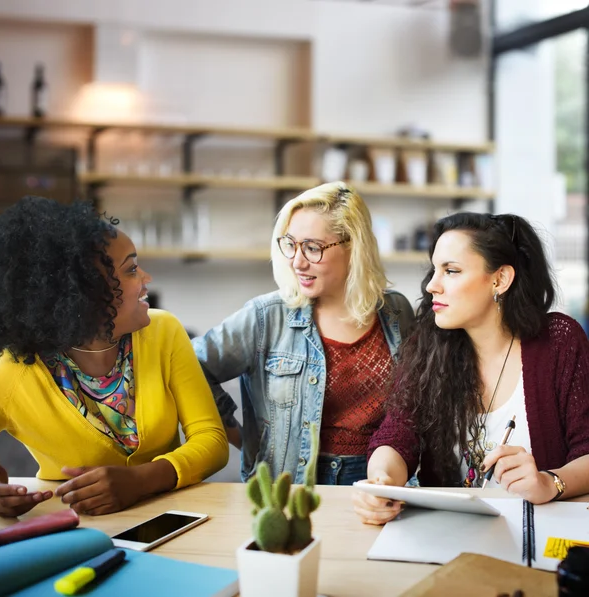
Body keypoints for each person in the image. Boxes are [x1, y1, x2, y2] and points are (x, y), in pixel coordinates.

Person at [0, 196, 228, 518]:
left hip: (168, 518)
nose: (146, 279)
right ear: (82, 293)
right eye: (131, 269)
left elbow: (211, 440)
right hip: (71, 529)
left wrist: (141, 480)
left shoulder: (164, 331)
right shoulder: (10, 373)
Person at [353, 212, 589, 525]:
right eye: (434, 270)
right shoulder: (429, 343)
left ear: (500, 279)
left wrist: (550, 482)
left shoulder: (559, 341)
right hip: (448, 531)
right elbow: (397, 436)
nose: (432, 286)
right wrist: (381, 482)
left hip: (536, 531)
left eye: (451, 271)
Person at [192, 181, 415, 485]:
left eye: (312, 247)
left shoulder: (396, 311)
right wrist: (240, 436)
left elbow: (411, 405)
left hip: (380, 480)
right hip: (292, 486)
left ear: (354, 247)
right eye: (290, 244)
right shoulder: (265, 316)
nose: (297, 261)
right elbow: (190, 366)